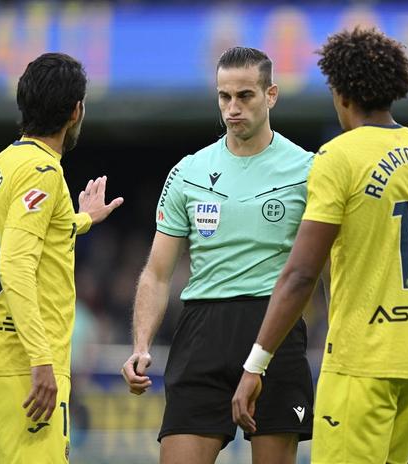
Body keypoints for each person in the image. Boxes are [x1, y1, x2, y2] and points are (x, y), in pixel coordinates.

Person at [233, 27, 408, 464]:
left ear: (340, 93)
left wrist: (255, 364)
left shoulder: (339, 157)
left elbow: (301, 274)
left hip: (361, 362)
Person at [120, 47, 314, 464]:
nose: (232, 108)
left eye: (245, 96)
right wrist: (141, 344)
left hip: (273, 327)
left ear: (271, 95)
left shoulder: (307, 170)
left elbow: (325, 266)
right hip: (202, 331)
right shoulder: (188, 172)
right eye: (224, 96)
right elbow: (156, 273)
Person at [0, 52, 124, 463]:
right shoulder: (43, 171)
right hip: (27, 367)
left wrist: (82, 219)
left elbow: (26, 237)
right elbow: (15, 263)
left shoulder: (4, 163)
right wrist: (41, 360)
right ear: (76, 111)